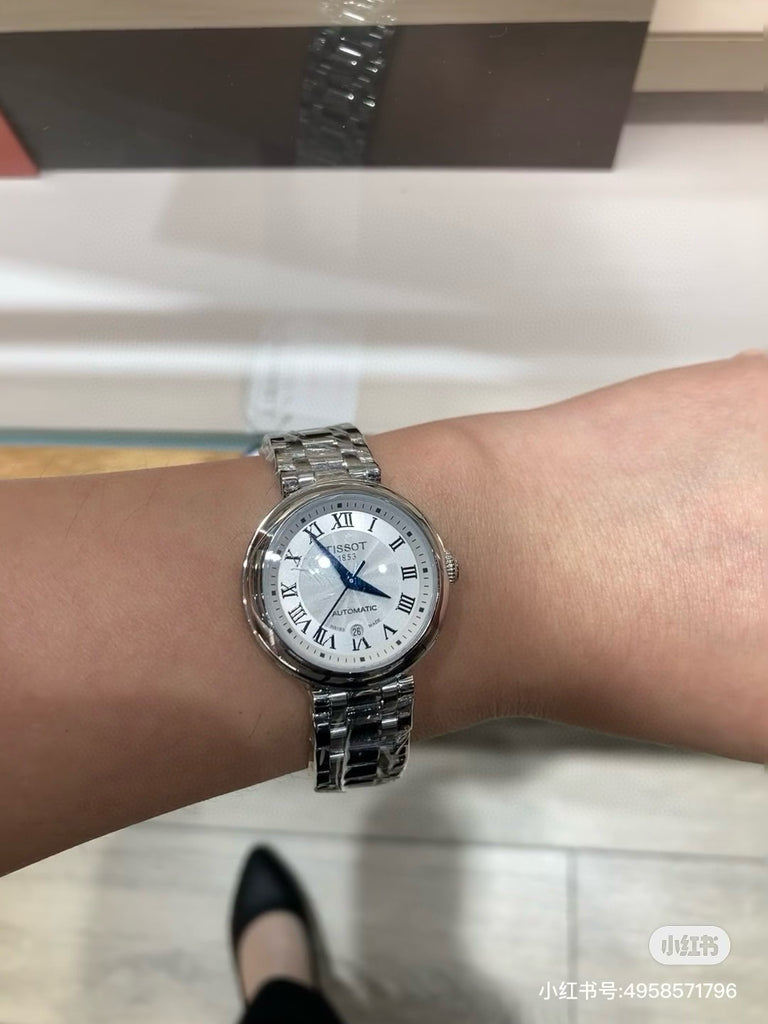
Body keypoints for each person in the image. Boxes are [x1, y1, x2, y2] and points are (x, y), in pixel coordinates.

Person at [0, 354, 765, 1015]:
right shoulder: (288, 572)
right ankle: (283, 981)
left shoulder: (409, 574)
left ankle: (277, 982)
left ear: (440, 570)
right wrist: (513, 506)